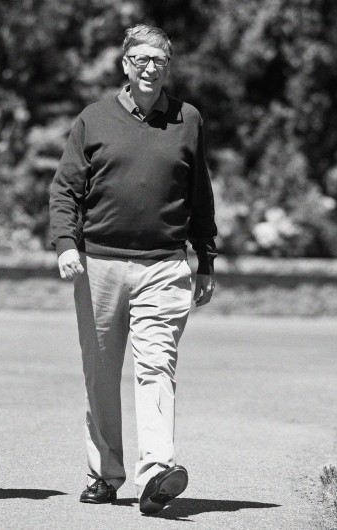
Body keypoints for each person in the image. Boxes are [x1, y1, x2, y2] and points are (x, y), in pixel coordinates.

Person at [49, 24, 217, 515]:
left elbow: (200, 195)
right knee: (101, 373)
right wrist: (65, 244)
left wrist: (205, 257)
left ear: (168, 67)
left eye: (159, 61)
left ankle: (157, 471)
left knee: (156, 365)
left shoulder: (188, 119)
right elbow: (66, 189)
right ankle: (105, 474)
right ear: (125, 64)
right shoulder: (94, 119)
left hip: (164, 264)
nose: (150, 68)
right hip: (98, 263)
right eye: (140, 59)